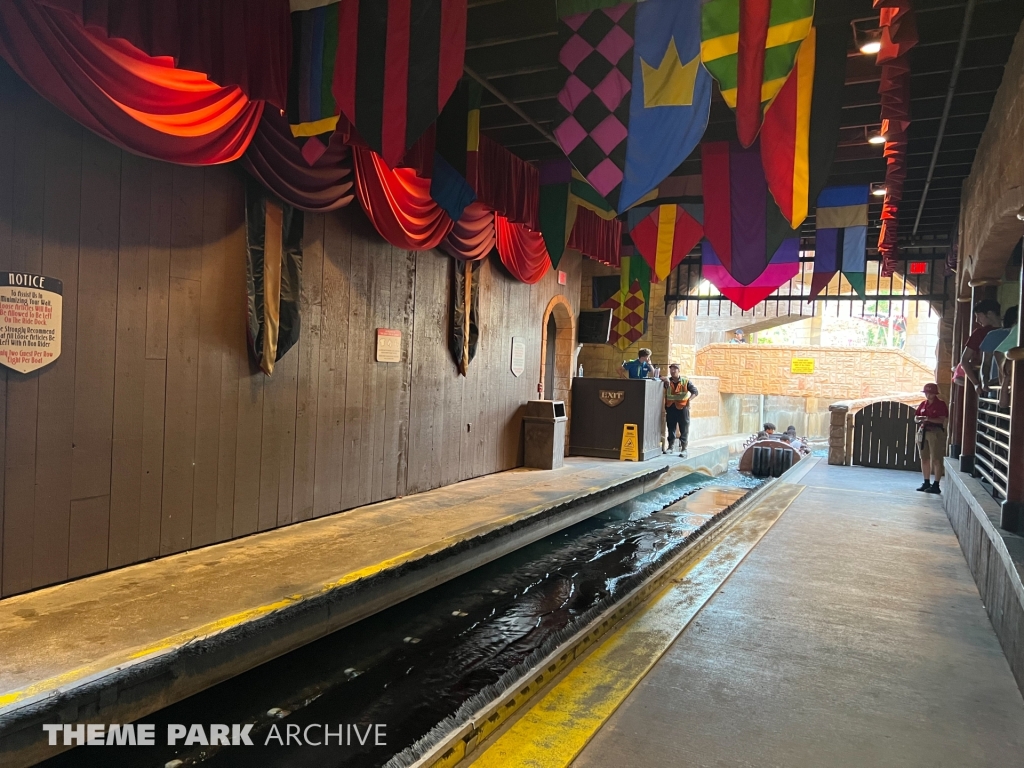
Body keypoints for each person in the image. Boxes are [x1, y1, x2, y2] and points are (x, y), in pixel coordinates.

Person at [959, 299, 1002, 390]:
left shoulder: (1007, 330)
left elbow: (964, 360)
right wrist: (976, 383)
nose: (977, 320)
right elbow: (964, 360)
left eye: (979, 316)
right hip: (990, 381)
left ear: (989, 313)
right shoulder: (979, 333)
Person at [915, 383, 948, 494]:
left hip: (935, 432)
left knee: (936, 459)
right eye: (927, 393)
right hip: (923, 431)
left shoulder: (940, 404)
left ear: (935, 394)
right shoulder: (923, 404)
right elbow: (916, 416)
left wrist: (928, 418)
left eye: (931, 393)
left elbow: (941, 420)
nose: (928, 395)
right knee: (924, 458)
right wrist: (919, 419)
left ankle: (936, 484)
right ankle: (926, 481)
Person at [662, 364, 698, 455]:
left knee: (684, 428)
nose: (672, 371)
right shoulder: (667, 381)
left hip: (683, 408)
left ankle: (684, 449)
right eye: (671, 369)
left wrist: (689, 400)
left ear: (679, 370)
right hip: (670, 407)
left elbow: (695, 392)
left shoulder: (685, 381)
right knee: (671, 428)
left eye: (674, 369)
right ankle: (670, 447)